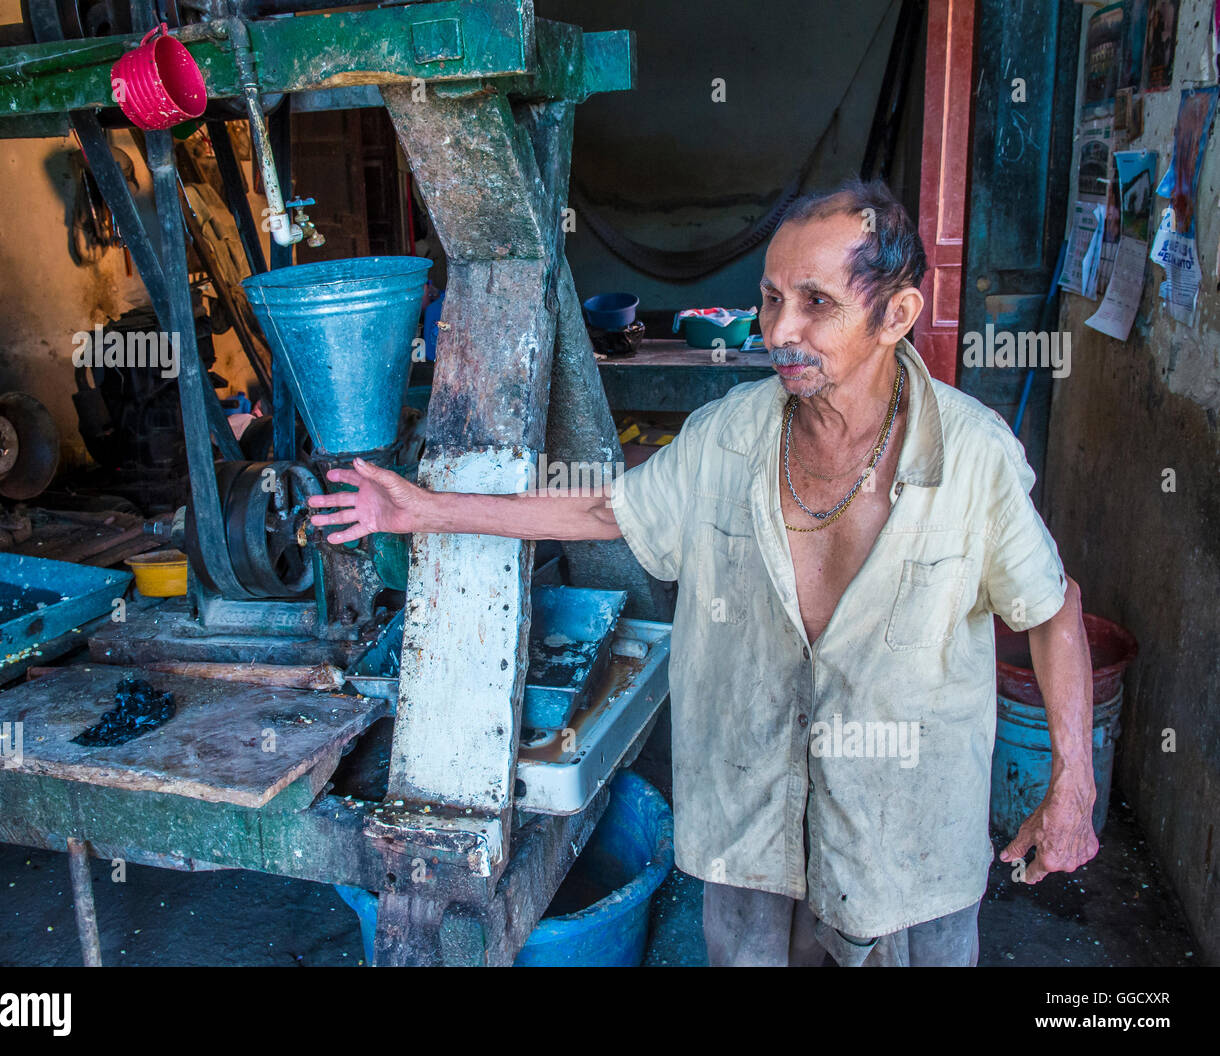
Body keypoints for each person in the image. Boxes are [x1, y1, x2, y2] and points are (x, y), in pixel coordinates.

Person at [308, 179, 1099, 967]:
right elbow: (603, 512)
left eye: (816, 303)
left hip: (906, 844)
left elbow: (1051, 610)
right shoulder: (727, 436)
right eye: (770, 298)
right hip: (754, 831)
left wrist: (1073, 786)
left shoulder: (973, 457)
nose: (780, 330)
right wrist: (422, 510)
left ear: (895, 315)